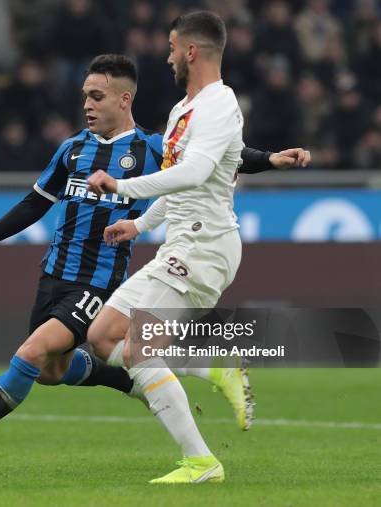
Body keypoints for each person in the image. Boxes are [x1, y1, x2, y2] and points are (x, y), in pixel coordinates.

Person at [0, 52, 310, 470]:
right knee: (53, 370)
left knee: (31, 353)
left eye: (96, 96)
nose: (87, 105)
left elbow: (219, 159)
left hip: (98, 281)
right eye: (85, 96)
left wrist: (269, 159)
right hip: (54, 275)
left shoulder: (151, 147)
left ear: (124, 100)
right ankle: (142, 379)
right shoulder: (72, 150)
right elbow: (33, 204)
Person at [85, 12, 301, 484]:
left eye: (170, 48)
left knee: (140, 349)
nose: (166, 57)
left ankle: (202, 462)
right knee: (103, 338)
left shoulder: (219, 104)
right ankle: (213, 364)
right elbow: (181, 185)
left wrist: (121, 185)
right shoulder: (183, 109)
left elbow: (197, 173)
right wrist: (140, 224)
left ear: (191, 51)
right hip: (181, 239)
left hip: (206, 244)